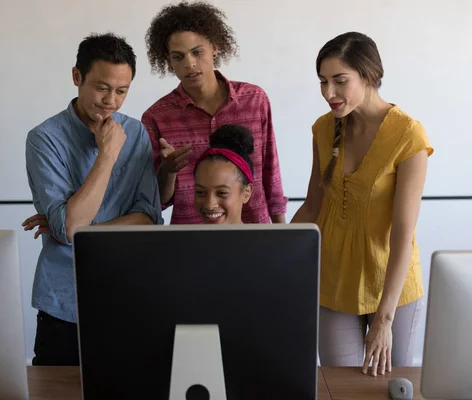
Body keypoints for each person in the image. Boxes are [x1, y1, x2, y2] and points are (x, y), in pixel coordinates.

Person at [291, 32, 433, 376]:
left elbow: (402, 233)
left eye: (340, 81)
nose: (329, 93)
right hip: (335, 278)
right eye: (323, 82)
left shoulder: (408, 136)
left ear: (368, 75)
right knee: (340, 387)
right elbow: (313, 206)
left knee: (390, 387)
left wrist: (385, 320)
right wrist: (269, 252)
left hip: (392, 286)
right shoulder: (324, 129)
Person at [22, 33, 163, 366]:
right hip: (65, 302)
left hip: (129, 296)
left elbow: (148, 217)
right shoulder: (44, 139)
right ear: (77, 77)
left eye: (121, 91)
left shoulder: (137, 131)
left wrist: (81, 226)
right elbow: (72, 228)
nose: (110, 101)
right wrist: (109, 153)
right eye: (101, 87)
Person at [141, 1, 287, 224]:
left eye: (197, 52)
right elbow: (157, 201)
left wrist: (281, 234)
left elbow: (271, 174)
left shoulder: (254, 100)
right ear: (168, 61)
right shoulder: (156, 118)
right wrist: (168, 171)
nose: (190, 63)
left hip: (254, 236)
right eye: (178, 57)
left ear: (215, 48)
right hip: (190, 242)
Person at [193, 124, 254, 224]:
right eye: (200, 192)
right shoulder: (183, 240)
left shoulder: (260, 240)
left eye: (222, 193)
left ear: (246, 193)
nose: (209, 205)